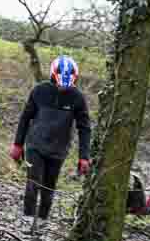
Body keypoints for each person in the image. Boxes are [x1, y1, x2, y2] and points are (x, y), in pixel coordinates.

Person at [10, 55, 91, 229]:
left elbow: (84, 128)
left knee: (49, 186)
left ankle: (41, 223)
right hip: (35, 145)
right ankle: (27, 221)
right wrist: (17, 144)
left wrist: (84, 156)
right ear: (53, 76)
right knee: (33, 183)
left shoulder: (77, 97)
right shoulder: (39, 91)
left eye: (67, 85)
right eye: (60, 83)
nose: (63, 88)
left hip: (59, 150)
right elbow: (25, 117)